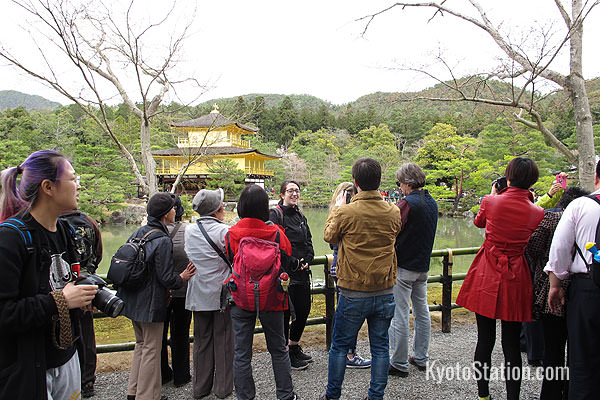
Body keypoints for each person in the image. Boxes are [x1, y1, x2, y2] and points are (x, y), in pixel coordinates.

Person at [0, 150, 98, 400]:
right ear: (48, 187)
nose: (78, 185)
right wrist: (61, 301)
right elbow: (4, 314)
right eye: (73, 179)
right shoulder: (10, 239)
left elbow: (67, 283)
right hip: (28, 366)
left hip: (66, 356)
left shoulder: (64, 230)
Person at [456, 157, 544, 400]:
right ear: (532, 181)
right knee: (512, 344)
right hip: (516, 274)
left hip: (487, 270)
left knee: (485, 339)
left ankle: (483, 395)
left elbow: (478, 222)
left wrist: (493, 194)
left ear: (508, 177)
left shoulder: (491, 201)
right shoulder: (537, 211)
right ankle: (512, 397)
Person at [322, 157, 402, 400]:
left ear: (355, 182)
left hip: (353, 291)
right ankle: (375, 395)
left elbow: (328, 236)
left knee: (339, 346)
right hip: (385, 289)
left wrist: (336, 207)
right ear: (379, 182)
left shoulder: (346, 212)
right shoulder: (393, 210)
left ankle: (332, 395)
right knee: (380, 346)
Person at [118, 192, 196, 400]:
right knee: (152, 349)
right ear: (164, 214)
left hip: (132, 299)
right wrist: (183, 276)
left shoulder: (140, 231)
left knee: (141, 346)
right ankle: (148, 396)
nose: (174, 211)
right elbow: (166, 278)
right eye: (171, 208)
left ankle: (133, 391)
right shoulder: (161, 239)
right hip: (151, 302)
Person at [226, 184, 297, 400]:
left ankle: (245, 397)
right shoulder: (276, 233)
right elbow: (287, 257)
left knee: (241, 354)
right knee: (278, 350)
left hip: (240, 297)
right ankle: (285, 395)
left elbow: (230, 258)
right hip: (272, 298)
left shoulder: (232, 234)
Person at [526, 187, 588, 400]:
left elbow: (532, 248)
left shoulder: (551, 219)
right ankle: (572, 391)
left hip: (551, 288)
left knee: (553, 348)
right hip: (581, 288)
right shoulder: (587, 219)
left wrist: (542, 268)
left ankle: (551, 393)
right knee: (578, 348)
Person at [546, 160, 600, 400]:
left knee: (583, 358)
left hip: (589, 288)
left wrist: (555, 286)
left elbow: (560, 249)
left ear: (596, 177)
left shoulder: (581, 205)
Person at [389, 163, 438, 377]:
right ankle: (421, 357)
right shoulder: (432, 202)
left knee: (399, 314)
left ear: (407, 183)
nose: (399, 187)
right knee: (422, 311)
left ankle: (398, 363)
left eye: (400, 183)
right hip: (423, 266)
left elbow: (391, 230)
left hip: (404, 266)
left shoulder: (407, 204)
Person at [185, 189, 234, 398]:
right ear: (218, 210)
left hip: (197, 293)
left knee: (201, 341)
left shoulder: (188, 231)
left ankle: (200, 387)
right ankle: (222, 388)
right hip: (221, 293)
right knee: (223, 341)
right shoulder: (225, 232)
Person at [269, 180, 315, 370]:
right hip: (286, 275)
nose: (294, 194)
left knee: (303, 311)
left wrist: (308, 259)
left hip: (302, 273)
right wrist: (293, 263)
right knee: (288, 314)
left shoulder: (299, 215)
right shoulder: (276, 214)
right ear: (282, 194)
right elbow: (274, 244)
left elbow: (308, 240)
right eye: (290, 191)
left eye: (296, 191)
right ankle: (285, 353)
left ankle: (294, 346)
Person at [327, 182, 371, 369]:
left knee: (344, 312)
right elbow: (331, 241)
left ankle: (339, 350)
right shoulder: (345, 214)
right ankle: (349, 353)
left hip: (342, 267)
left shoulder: (337, 214)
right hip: (345, 268)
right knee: (349, 314)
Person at [61, 209, 104, 398]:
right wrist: (89, 271)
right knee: (86, 333)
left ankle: (69, 379)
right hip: (85, 281)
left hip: (61, 285)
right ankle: (87, 380)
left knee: (64, 331)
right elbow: (98, 252)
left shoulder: (55, 223)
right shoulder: (89, 222)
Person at [160, 195, 193, 388]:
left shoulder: (153, 232)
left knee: (159, 335)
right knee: (180, 334)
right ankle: (182, 375)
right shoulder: (188, 231)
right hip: (183, 289)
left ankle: (163, 373)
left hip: (160, 292)